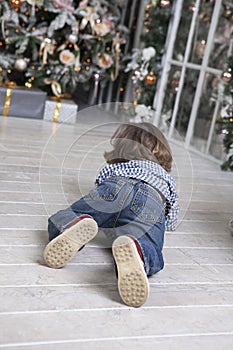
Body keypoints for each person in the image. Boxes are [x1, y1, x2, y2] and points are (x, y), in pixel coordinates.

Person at [43, 122, 179, 307]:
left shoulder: (117, 168)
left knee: (75, 213)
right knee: (148, 240)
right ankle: (138, 251)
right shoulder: (165, 177)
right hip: (152, 198)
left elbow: (100, 183)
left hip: (116, 186)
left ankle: (73, 224)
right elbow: (171, 218)